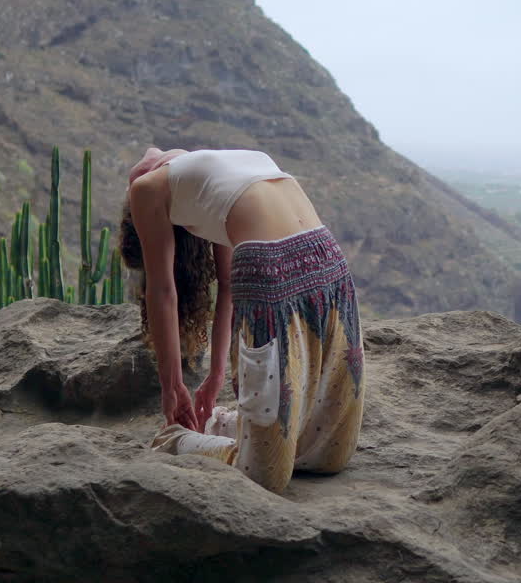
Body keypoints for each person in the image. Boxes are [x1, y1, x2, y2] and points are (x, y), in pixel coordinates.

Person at [119, 147, 364, 493]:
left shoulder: (145, 189)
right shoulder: (214, 170)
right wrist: (214, 376)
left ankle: (177, 439)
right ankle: (234, 430)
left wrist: (172, 387)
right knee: (324, 455)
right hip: (330, 261)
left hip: (275, 266)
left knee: (300, 464)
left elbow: (162, 292)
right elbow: (229, 286)